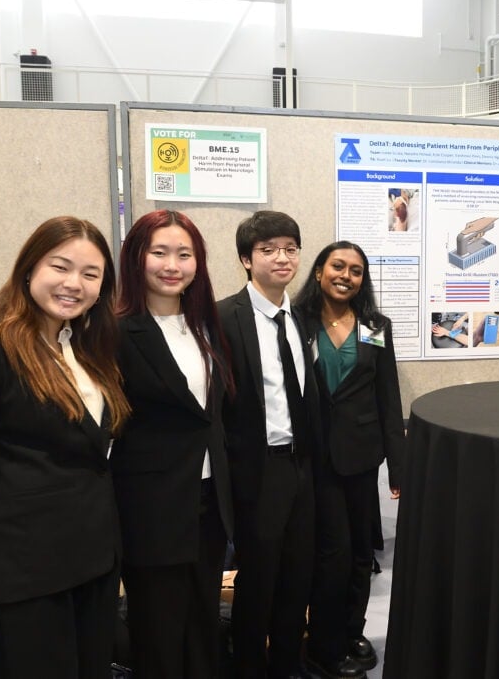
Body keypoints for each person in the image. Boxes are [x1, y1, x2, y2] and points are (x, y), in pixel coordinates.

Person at [0, 216, 130, 678]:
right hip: (23, 577)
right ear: (29, 269)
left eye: (90, 274)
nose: (73, 284)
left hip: (91, 566)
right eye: (60, 267)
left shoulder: (84, 348)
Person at [112, 209, 235, 679]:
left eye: (184, 254)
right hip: (151, 505)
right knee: (158, 625)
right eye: (159, 252)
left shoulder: (205, 327)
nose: (172, 265)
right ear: (136, 258)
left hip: (208, 499)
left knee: (203, 617)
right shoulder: (116, 331)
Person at [218, 211, 322, 679]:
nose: (282, 258)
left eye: (290, 248)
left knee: (297, 577)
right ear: (246, 259)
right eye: (268, 250)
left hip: (302, 468)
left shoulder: (298, 318)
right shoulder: (223, 318)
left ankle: (286, 665)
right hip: (256, 472)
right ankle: (247, 669)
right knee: (258, 583)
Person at [294, 241, 406, 679]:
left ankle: (350, 630)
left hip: (362, 458)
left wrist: (398, 465)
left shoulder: (375, 325)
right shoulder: (296, 321)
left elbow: (387, 395)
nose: (346, 275)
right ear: (320, 271)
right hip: (314, 458)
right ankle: (323, 645)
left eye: (356, 270)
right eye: (337, 266)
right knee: (331, 555)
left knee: (362, 553)